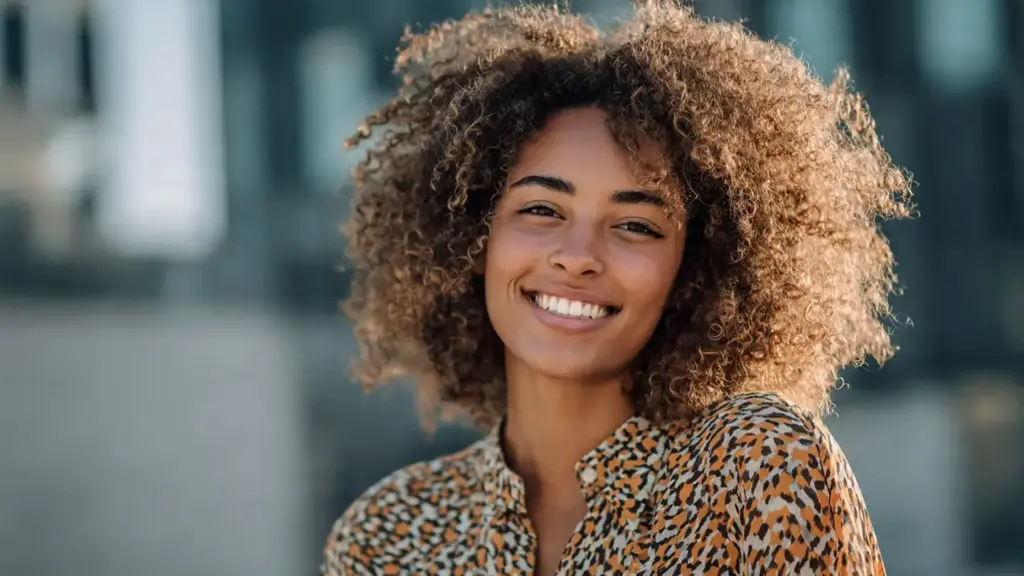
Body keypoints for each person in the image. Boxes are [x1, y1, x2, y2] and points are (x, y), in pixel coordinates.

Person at [322, 1, 912, 574]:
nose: (578, 258)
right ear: (474, 236)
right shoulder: (383, 535)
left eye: (636, 225)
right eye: (542, 210)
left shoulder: (759, 464)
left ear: (693, 266)